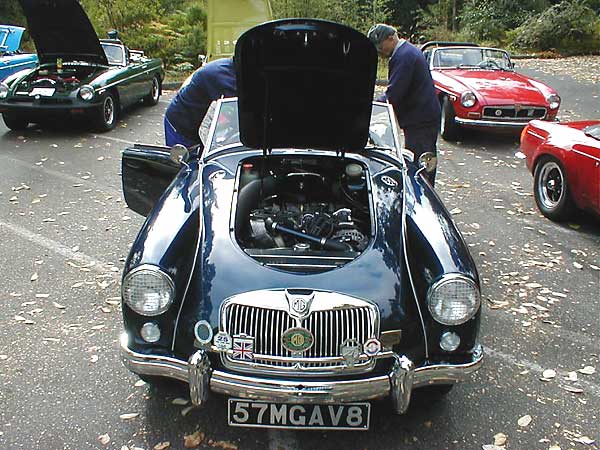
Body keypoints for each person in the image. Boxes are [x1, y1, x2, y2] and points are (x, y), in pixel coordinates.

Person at [367, 24, 440, 183]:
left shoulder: (404, 56)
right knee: (420, 159)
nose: (380, 51)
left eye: (380, 46)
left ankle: (423, 200)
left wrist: (369, 107)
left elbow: (394, 94)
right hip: (421, 116)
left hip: (421, 119)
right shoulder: (406, 51)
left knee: (420, 165)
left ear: (391, 38)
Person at [164, 57, 236, 147]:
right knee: (185, 158)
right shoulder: (220, 75)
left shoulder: (240, 72)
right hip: (182, 122)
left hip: (204, 119)